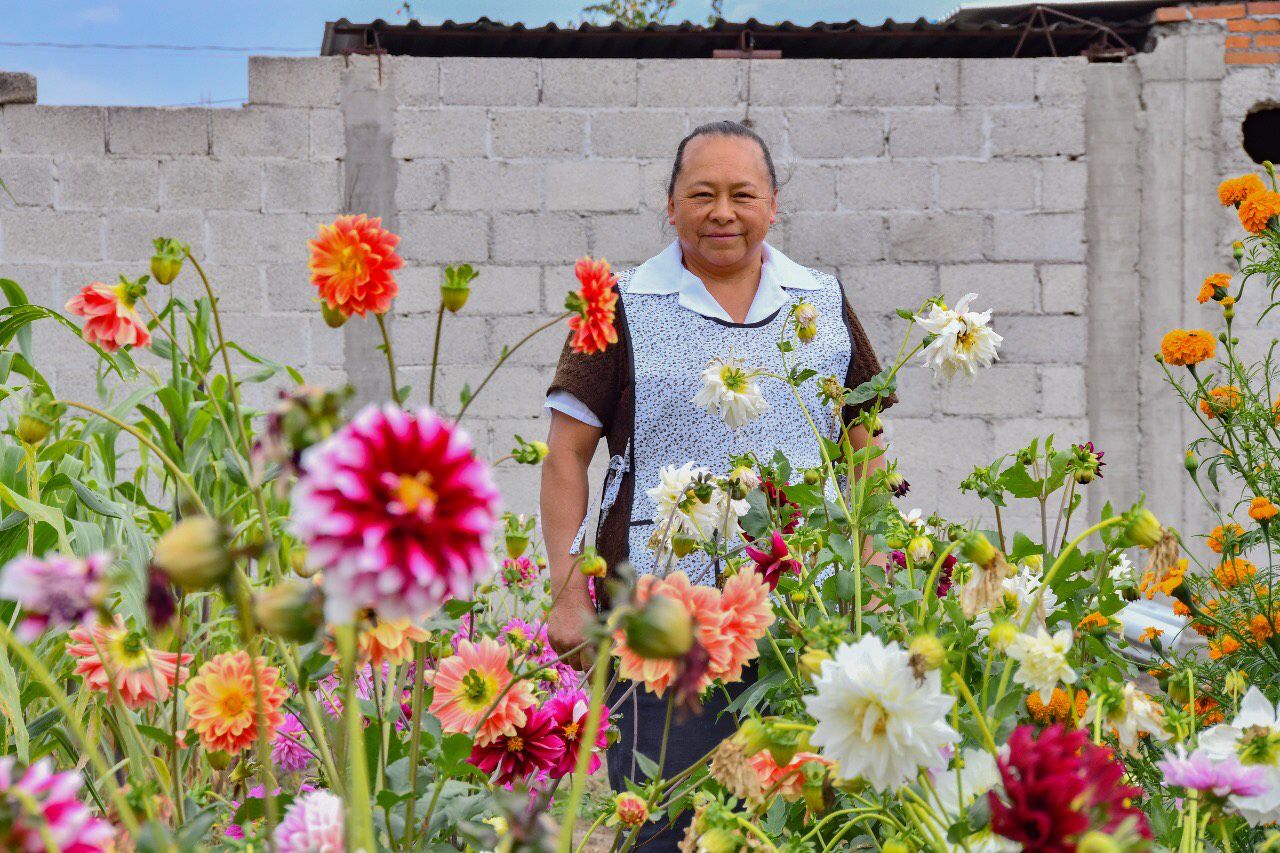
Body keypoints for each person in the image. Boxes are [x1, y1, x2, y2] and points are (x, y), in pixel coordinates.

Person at [539, 120, 897, 850]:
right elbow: (565, 455)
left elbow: (865, 452)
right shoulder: (621, 302)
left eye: (742, 194)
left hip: (802, 616)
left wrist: (871, 573)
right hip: (657, 621)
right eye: (702, 194)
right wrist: (567, 588)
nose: (723, 212)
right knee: (664, 821)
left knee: (802, 821)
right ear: (669, 204)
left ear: (774, 203)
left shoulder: (821, 302)